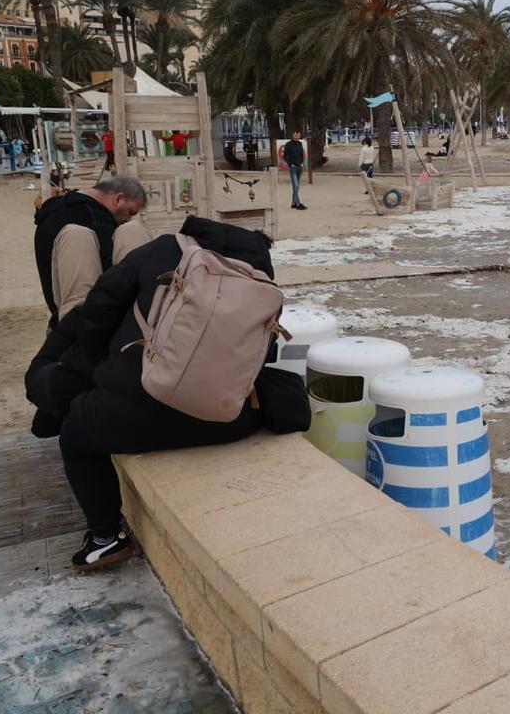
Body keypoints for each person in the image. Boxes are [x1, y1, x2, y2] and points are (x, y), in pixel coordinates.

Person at [24, 216, 310, 570]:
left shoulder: (160, 250)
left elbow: (96, 317)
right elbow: (263, 355)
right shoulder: (259, 278)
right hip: (227, 419)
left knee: (75, 433)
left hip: (138, 414)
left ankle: (105, 538)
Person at [33, 176, 149, 329]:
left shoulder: (51, 214)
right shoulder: (96, 220)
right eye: (130, 211)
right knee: (132, 231)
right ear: (118, 199)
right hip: (94, 324)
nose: (126, 219)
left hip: (60, 319)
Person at [283, 130, 306, 210]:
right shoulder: (288, 144)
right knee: (296, 185)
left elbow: (301, 154)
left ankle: (293, 203)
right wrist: (290, 164)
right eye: (296, 135)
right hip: (293, 167)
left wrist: (302, 163)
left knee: (296, 187)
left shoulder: (300, 144)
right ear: (293, 135)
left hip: (299, 166)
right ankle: (298, 203)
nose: (297, 137)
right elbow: (285, 156)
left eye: (299, 136)